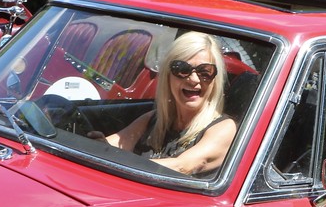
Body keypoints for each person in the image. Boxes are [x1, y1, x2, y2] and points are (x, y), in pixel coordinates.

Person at [98, 31, 237, 175]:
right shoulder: (153, 119)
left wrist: (118, 161)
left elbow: (182, 166)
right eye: (182, 69)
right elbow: (115, 143)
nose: (194, 79)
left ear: (215, 80)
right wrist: (94, 145)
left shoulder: (223, 128)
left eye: (205, 71)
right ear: (167, 75)